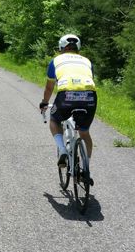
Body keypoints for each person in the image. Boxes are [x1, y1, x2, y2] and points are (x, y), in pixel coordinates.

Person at [39, 34, 97, 169]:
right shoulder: (87, 61)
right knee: (84, 132)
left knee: (54, 120)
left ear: (61, 47)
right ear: (78, 47)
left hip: (66, 96)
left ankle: (62, 150)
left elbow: (49, 88)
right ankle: (85, 168)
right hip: (90, 96)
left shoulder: (55, 61)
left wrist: (44, 102)